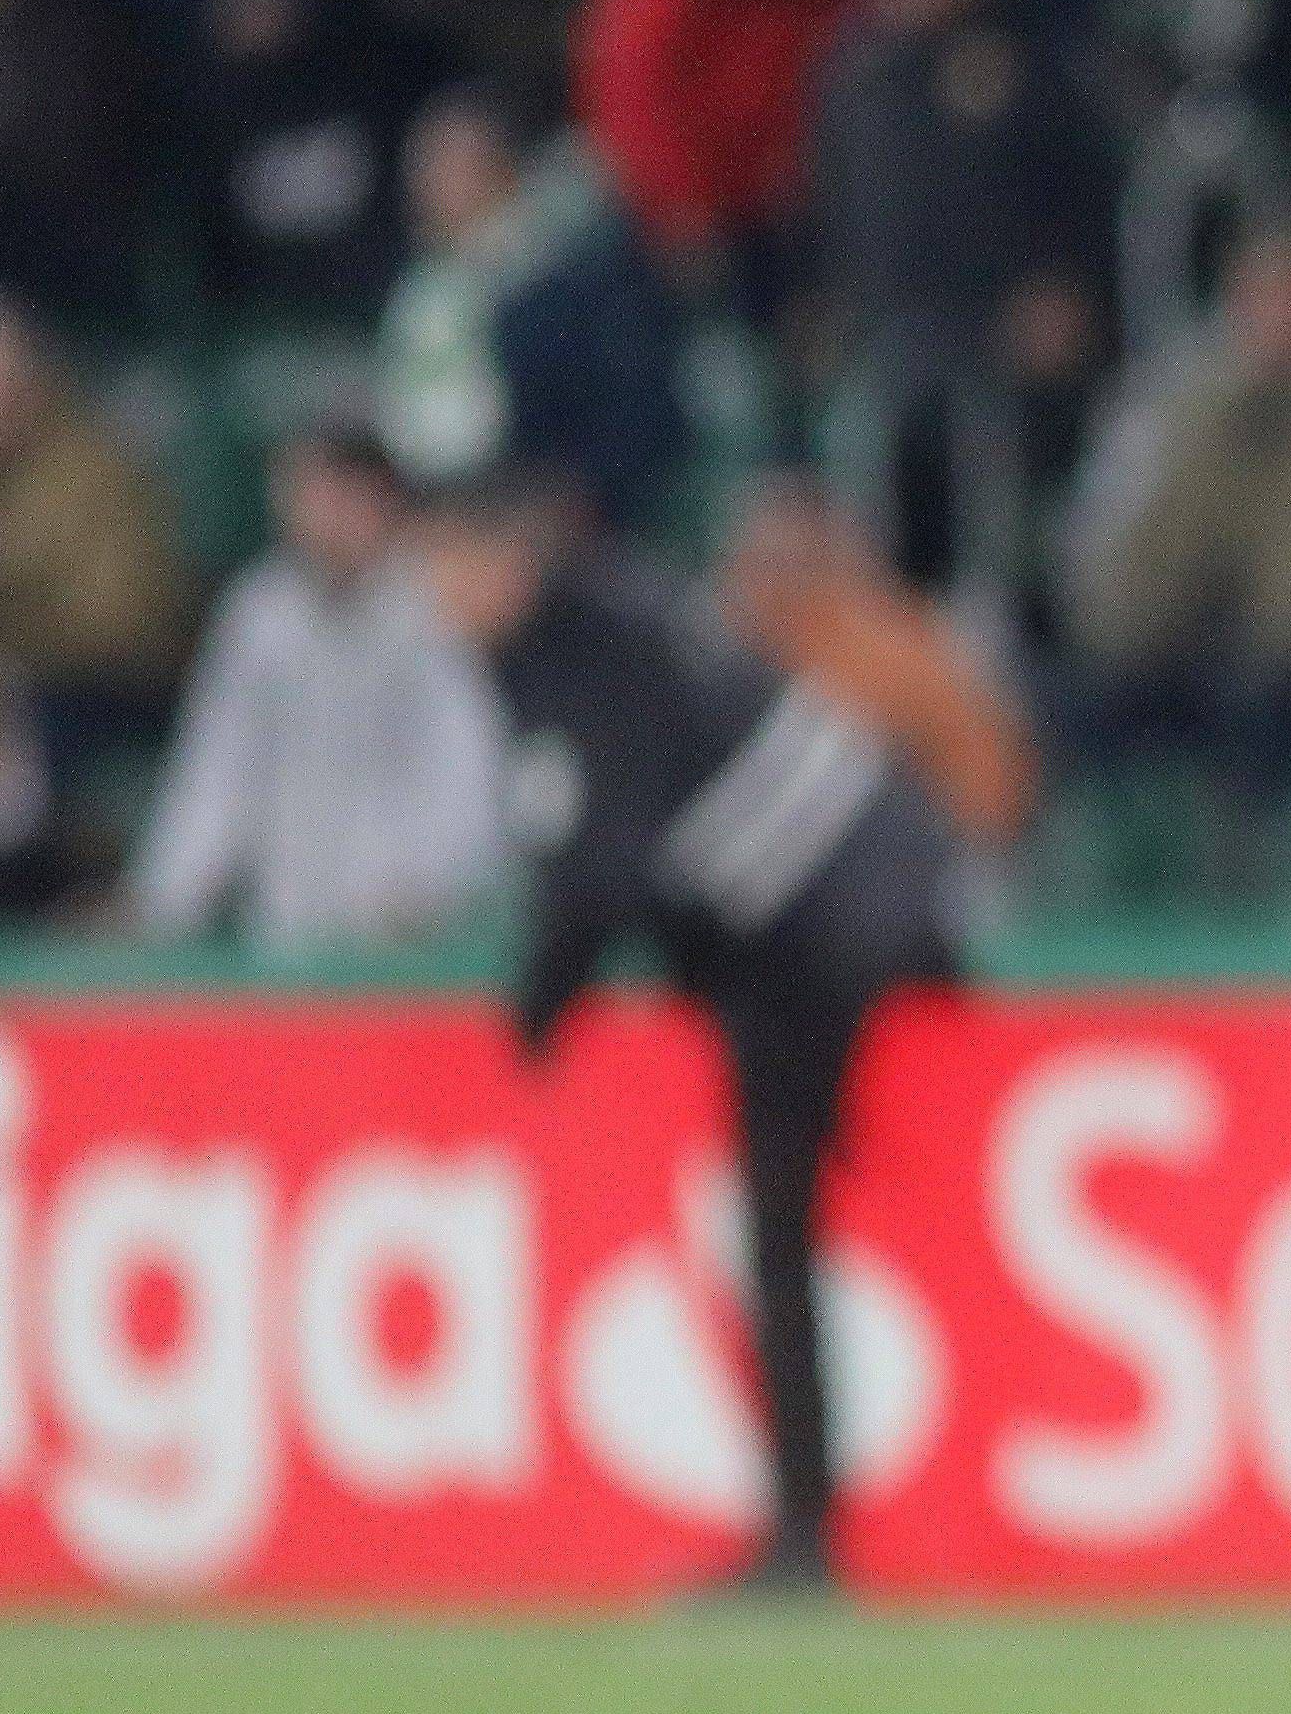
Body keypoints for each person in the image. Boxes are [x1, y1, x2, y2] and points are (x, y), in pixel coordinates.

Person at [411, 463, 970, 1599]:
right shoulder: (619, 612)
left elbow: (599, 862)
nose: (433, 595)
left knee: (775, 1225)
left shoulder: (575, 648)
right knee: (778, 1225)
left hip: (817, 929)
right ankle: (804, 1525)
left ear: (502, 559)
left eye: (445, 566)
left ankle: (805, 1535)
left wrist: (537, 1008)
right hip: (860, 894)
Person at [130, 417, 509, 954]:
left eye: (336, 495)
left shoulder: (434, 607)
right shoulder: (258, 613)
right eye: (304, 494)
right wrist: (165, 901)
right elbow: (216, 770)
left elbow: (468, 773)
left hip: (409, 943)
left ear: (379, 499)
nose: (318, 515)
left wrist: (428, 888)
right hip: (286, 937)